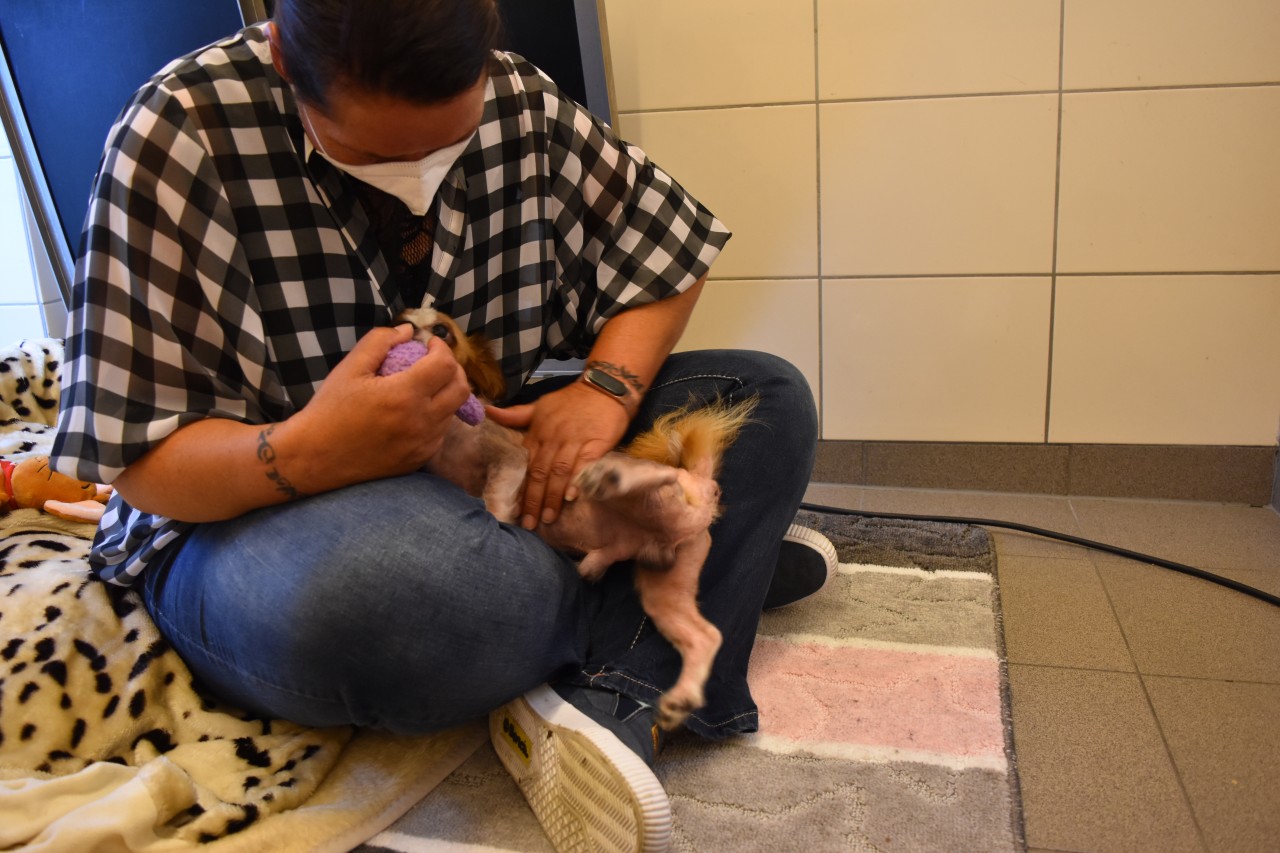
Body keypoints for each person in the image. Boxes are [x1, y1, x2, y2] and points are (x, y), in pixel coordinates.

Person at [51, 1, 835, 850]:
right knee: (421, 592)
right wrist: (313, 449)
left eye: (449, 142)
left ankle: (609, 688)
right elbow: (138, 461)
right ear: (283, 58)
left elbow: (668, 256)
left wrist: (606, 389)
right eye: (374, 150)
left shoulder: (518, 97)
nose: (419, 173)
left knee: (765, 400)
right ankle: (695, 574)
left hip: (486, 469)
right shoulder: (178, 131)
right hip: (253, 516)